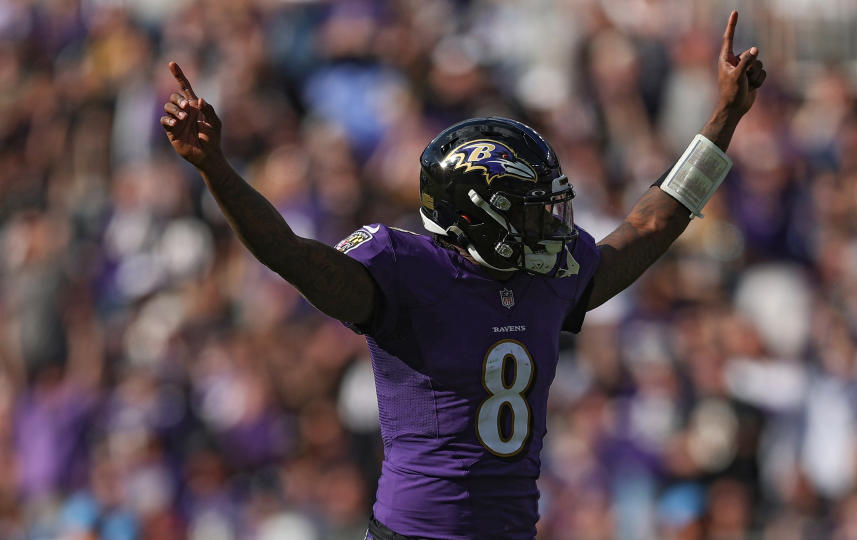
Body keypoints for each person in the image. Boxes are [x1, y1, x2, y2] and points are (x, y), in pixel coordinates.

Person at [160, 10, 765, 540]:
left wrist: (724, 119)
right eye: (531, 211)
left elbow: (652, 225)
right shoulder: (403, 271)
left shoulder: (548, 274)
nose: (550, 227)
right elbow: (286, 252)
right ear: (481, 215)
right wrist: (214, 166)